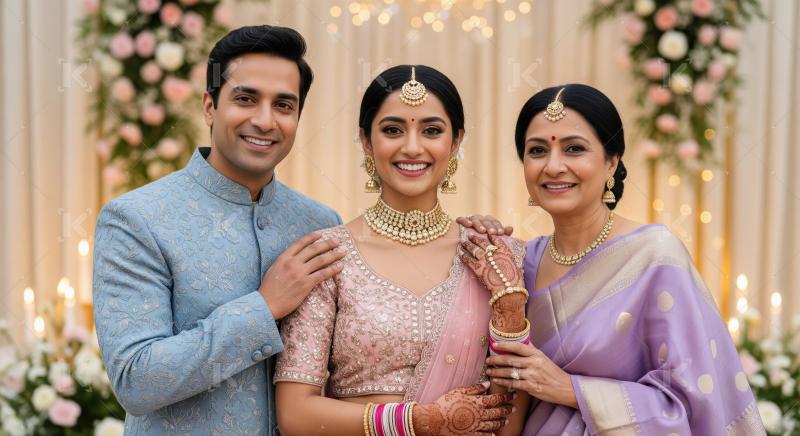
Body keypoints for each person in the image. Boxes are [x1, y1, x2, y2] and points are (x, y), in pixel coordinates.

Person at [461, 84, 765, 435]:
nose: (554, 166)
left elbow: (690, 405)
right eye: (538, 151)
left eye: (574, 149)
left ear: (611, 162)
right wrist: (483, 241)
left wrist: (570, 389)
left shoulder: (654, 256)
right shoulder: (522, 261)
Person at [93, 26, 346, 435]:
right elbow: (136, 380)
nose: (264, 121)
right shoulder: (137, 219)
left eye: (283, 105)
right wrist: (264, 307)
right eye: (245, 99)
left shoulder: (320, 225)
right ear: (210, 107)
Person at [274, 65, 529, 435]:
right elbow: (296, 415)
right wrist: (416, 421)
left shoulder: (493, 256)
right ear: (366, 140)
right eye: (393, 130)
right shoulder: (329, 257)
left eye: (431, 130)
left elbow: (511, 406)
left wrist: (511, 308)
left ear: (456, 141)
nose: (412, 147)